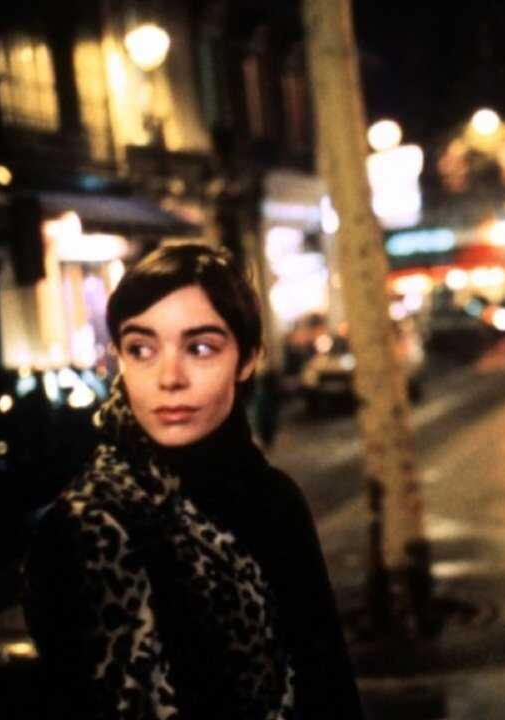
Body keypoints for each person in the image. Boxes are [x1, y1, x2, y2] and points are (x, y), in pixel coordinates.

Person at [24, 242, 364, 719]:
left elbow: (328, 682)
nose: (170, 377)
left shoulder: (274, 499)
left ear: (247, 359)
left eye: (200, 348)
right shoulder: (88, 525)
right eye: (141, 349)